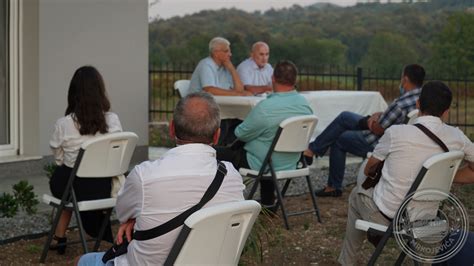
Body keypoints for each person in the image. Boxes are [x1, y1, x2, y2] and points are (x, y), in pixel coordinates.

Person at [76, 92, 245, 266]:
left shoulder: (144, 176)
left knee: (83, 261)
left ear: (172, 129)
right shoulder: (231, 176)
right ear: (217, 135)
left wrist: (134, 217)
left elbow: (123, 213)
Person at [338, 81, 474, 265]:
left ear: (418, 104)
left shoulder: (396, 133)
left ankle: (347, 262)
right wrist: (442, 176)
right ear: (446, 111)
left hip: (388, 220)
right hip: (425, 224)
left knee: (356, 194)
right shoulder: (457, 137)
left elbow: (370, 168)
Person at [304, 64, 426, 197]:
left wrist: (370, 121)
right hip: (400, 138)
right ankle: (312, 151)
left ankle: (331, 183)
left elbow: (378, 130)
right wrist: (380, 115)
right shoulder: (422, 98)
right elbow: (390, 118)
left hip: (379, 141)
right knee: (344, 118)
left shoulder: (400, 104)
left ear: (405, 79)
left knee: (339, 136)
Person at [216, 60, 313, 208]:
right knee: (267, 143)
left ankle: (219, 201)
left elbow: (240, 133)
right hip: (291, 161)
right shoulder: (304, 104)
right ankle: (268, 203)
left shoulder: (266, 107)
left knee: (215, 153)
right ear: (295, 80)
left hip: (265, 163)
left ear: (273, 78)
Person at [49, 65, 122, 254]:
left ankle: (59, 238)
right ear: (100, 91)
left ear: (73, 93)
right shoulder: (113, 120)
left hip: (75, 187)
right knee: (70, 181)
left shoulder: (63, 124)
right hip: (103, 187)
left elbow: (59, 159)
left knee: (65, 180)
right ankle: (62, 237)